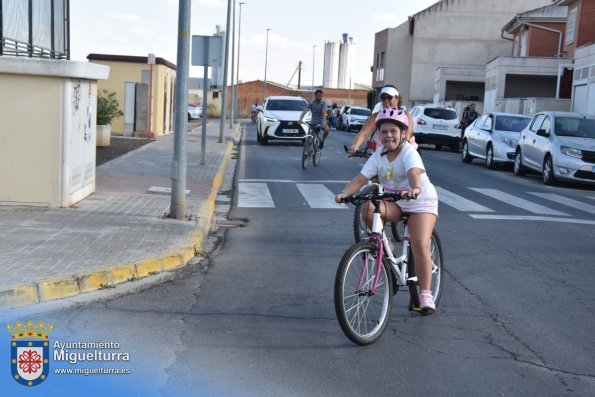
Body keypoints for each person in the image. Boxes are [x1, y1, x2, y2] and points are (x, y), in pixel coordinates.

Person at [335, 107, 439, 314]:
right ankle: (384, 242)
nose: (388, 135)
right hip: (396, 202)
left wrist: (415, 188)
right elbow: (361, 178)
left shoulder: (409, 153)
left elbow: (414, 173)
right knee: (367, 208)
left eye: (393, 131)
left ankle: (426, 294)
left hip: (420, 202)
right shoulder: (379, 155)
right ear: (379, 134)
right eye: (384, 132)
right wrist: (344, 193)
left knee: (419, 244)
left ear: (402, 133)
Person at [348, 85, 415, 155]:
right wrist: (355, 146)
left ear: (397, 99)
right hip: (381, 153)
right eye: (383, 98)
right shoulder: (377, 116)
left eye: (389, 97)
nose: (386, 100)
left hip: (404, 152)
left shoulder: (405, 114)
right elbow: (364, 133)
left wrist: (403, 147)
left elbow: (408, 134)